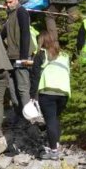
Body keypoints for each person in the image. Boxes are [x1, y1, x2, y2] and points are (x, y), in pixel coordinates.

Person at [29, 32, 71, 161]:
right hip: (64, 92)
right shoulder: (65, 55)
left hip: (47, 91)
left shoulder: (41, 54)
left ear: (41, 41)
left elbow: (35, 76)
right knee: (56, 118)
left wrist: (32, 95)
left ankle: (53, 152)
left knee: (50, 120)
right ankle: (56, 145)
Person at [1, 0, 33, 124]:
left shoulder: (21, 12)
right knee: (12, 86)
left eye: (10, 2)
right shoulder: (10, 14)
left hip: (21, 56)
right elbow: (3, 34)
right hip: (11, 56)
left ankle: (29, 118)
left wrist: (24, 56)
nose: (8, 5)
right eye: (6, 2)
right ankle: (19, 114)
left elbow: (26, 33)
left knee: (23, 87)